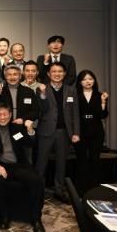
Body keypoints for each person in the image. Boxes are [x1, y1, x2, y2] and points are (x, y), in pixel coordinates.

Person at [0, 103, 45, 232]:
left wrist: (30, 130)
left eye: (5, 114)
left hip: (18, 165)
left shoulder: (17, 128)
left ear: (10, 115)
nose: (2, 117)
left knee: (36, 180)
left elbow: (30, 143)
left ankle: (36, 218)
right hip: (0, 165)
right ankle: (4, 216)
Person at [35, 62, 80, 203]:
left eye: (60, 71)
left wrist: (76, 132)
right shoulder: (41, 89)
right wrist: (43, 95)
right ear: (49, 74)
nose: (57, 74)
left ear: (64, 73)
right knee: (41, 164)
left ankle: (59, 191)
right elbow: (41, 110)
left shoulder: (71, 90)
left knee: (61, 164)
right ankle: (39, 191)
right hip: (45, 131)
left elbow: (75, 113)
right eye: (54, 71)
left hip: (63, 132)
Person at [75, 70, 109, 195]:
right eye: (84, 79)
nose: (88, 81)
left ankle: (95, 189)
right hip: (80, 130)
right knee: (82, 160)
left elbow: (103, 115)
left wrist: (103, 102)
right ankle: (81, 189)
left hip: (96, 130)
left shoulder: (100, 95)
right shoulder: (75, 95)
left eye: (90, 79)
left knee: (95, 160)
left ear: (94, 81)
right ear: (80, 82)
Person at [0, 65, 39, 130]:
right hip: (4, 127)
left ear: (20, 76)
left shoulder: (29, 92)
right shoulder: (0, 91)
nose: (12, 77)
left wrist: (23, 119)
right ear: (5, 77)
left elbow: (35, 111)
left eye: (15, 74)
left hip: (24, 126)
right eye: (9, 75)